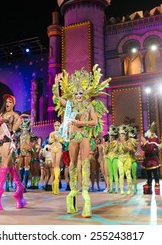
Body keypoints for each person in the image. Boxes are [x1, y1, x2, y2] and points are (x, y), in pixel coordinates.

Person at [53, 64, 110, 218]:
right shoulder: (70, 105)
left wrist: (81, 124)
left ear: (84, 93)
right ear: (73, 93)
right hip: (72, 138)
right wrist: (56, 83)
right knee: (72, 164)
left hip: (84, 136)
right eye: (76, 93)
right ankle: (73, 190)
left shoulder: (88, 105)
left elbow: (95, 122)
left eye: (80, 93)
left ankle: (85, 192)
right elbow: (58, 99)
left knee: (84, 163)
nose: (78, 95)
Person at [0, 94, 27, 211]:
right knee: (10, 167)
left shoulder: (15, 115)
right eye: (7, 101)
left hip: (8, 143)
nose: (8, 103)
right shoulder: (1, 115)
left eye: (10, 102)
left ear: (13, 104)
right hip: (0, 143)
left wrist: (19, 119)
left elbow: (14, 129)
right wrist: (0, 120)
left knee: (4, 165)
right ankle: (20, 188)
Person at [140, 122, 161, 195]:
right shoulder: (147, 140)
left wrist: (145, 142)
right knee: (148, 175)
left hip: (153, 160)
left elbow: (150, 148)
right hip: (148, 160)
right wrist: (144, 143)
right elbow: (144, 148)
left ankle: (157, 188)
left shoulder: (155, 140)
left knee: (156, 174)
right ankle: (149, 189)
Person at [48, 121, 65, 194]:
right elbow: (49, 141)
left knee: (57, 164)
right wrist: (53, 138)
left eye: (58, 125)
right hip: (52, 148)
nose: (57, 127)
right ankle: (54, 182)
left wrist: (58, 139)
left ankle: (56, 182)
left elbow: (63, 141)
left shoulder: (61, 133)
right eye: (55, 125)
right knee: (53, 165)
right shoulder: (51, 133)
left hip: (59, 147)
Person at [106, 125, 119, 193]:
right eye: (110, 136)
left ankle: (116, 188)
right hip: (108, 158)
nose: (110, 137)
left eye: (112, 136)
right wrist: (107, 146)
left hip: (115, 157)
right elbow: (105, 152)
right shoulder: (108, 143)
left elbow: (116, 150)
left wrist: (115, 145)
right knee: (110, 173)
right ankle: (111, 188)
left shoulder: (116, 142)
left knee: (115, 172)